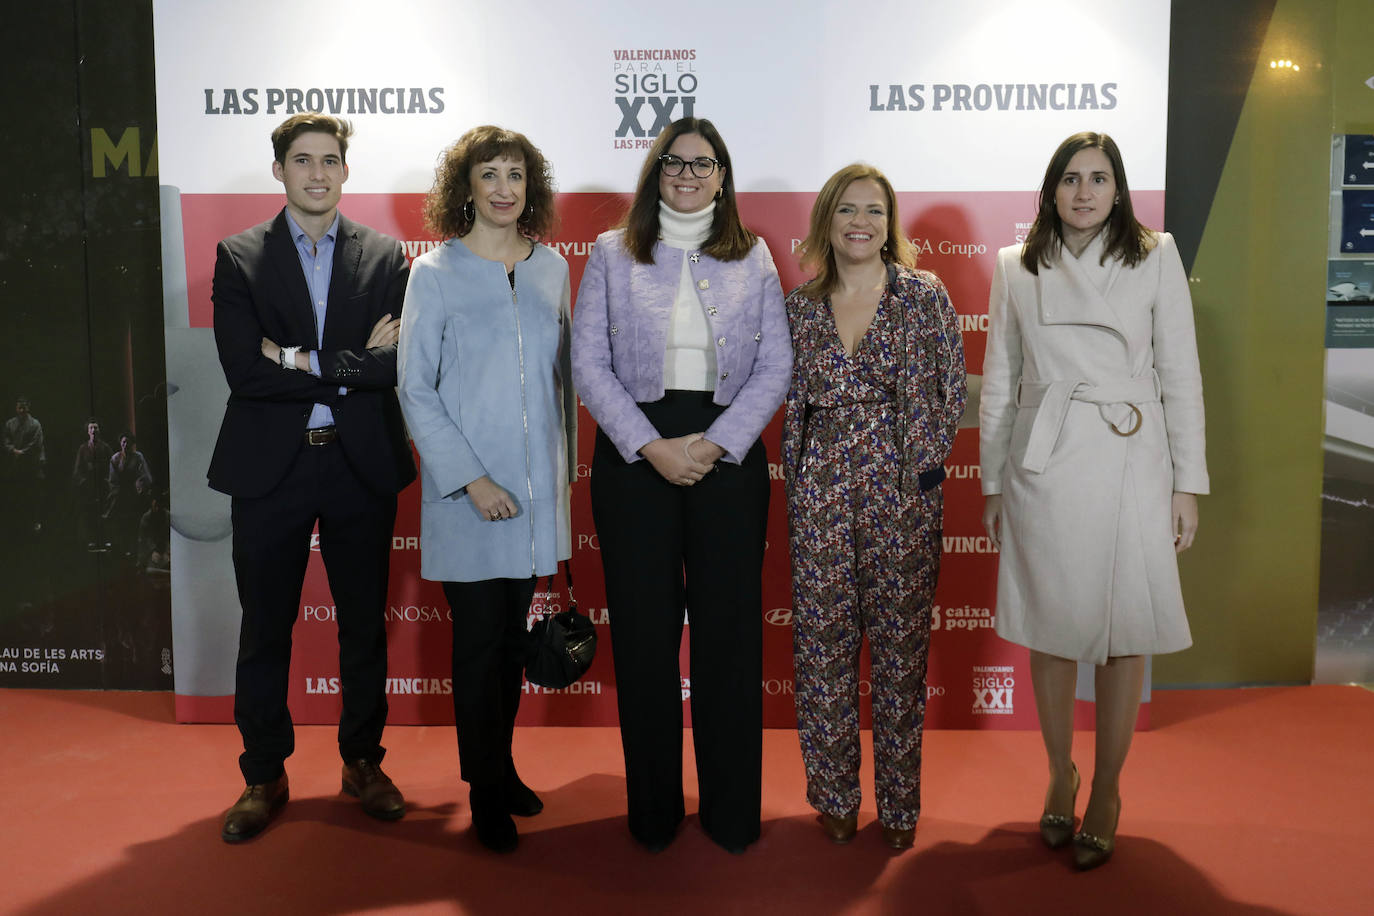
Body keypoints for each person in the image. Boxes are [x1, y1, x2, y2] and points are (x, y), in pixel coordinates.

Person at [979, 132, 1208, 870]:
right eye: (1071, 179)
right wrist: (989, 481)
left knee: (1124, 627)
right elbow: (998, 381)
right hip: (1044, 461)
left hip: (1131, 456)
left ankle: (1106, 787)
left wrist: (1186, 484)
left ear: (1119, 188)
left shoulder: (1156, 254)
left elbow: (1181, 374)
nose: (1084, 192)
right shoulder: (1017, 266)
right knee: (1051, 628)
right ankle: (1060, 770)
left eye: (1099, 179)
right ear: (1050, 190)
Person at [572, 116, 791, 855]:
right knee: (644, 639)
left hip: (727, 460)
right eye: (675, 164)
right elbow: (588, 366)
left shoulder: (753, 254)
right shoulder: (610, 253)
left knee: (729, 640)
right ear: (655, 173)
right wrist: (650, 446)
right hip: (636, 462)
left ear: (723, 177)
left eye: (704, 164)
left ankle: (731, 814)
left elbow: (776, 366)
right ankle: (654, 812)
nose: (689, 175)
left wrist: (719, 443)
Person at [208, 113, 417, 843]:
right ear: (280, 171)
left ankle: (362, 761)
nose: (318, 173)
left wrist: (294, 360)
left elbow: (394, 367)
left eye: (330, 160)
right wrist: (346, 366)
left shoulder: (388, 256)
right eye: (303, 160)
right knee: (265, 629)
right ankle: (263, 773)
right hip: (271, 468)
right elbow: (243, 372)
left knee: (364, 627)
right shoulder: (237, 256)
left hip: (361, 464)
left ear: (345, 170)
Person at [397, 125, 575, 854]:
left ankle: (501, 769)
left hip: (533, 497)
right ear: (464, 188)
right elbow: (415, 388)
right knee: (477, 647)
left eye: (516, 175)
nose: (504, 188)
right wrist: (472, 479)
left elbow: (562, 386)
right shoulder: (433, 273)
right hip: (470, 499)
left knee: (511, 646)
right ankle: (484, 791)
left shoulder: (553, 269)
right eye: (489, 174)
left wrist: (559, 480)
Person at [780, 164, 966, 851]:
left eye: (875, 211)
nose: (862, 222)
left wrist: (918, 469)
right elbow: (791, 408)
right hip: (821, 496)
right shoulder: (800, 307)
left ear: (891, 224)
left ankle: (898, 805)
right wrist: (804, 488)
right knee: (823, 653)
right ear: (827, 221)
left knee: (899, 659)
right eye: (848, 210)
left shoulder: (923, 296)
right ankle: (833, 797)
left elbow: (953, 389)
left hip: (902, 500)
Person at [106, 431, 153, 557]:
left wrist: (139, 487)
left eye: (128, 442)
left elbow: (144, 475)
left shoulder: (138, 457)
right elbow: (113, 480)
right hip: (120, 494)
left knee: (135, 522)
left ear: (132, 444)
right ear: (120, 443)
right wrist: (116, 492)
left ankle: (135, 548)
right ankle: (120, 547)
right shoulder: (115, 458)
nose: (126, 444)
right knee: (121, 522)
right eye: (123, 442)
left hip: (134, 494)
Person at [4, 396, 46, 535]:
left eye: (24, 407)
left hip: (32, 465)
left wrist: (23, 452)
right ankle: (16, 524)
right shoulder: (10, 423)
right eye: (19, 407)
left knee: (33, 495)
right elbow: (6, 440)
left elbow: (36, 443)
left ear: (29, 408)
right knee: (16, 495)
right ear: (16, 408)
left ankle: (35, 522)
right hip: (15, 465)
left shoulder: (35, 424)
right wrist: (12, 450)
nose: (22, 410)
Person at [72, 418, 112, 549]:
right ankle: (91, 540)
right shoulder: (83, 448)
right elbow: (77, 470)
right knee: (90, 514)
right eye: (91, 428)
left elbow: (113, 466)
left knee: (104, 513)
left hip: (103, 485)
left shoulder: (105, 448)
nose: (94, 430)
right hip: (88, 487)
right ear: (88, 431)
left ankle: (105, 539)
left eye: (96, 428)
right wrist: (83, 482)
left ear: (99, 430)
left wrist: (108, 481)